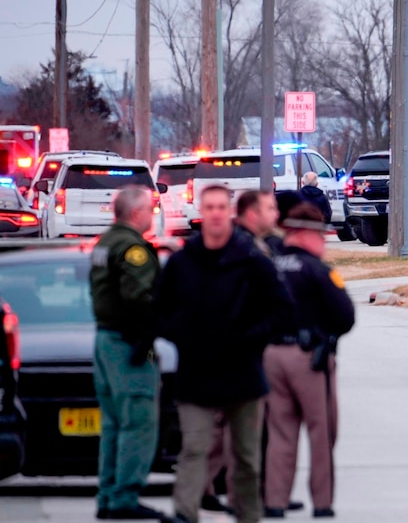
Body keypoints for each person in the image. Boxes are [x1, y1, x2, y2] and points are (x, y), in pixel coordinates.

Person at [158, 184, 295, 523]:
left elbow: (282, 310)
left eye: (222, 207)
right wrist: (184, 336)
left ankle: (249, 515)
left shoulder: (251, 260)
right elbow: (160, 310)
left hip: (244, 373)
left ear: (229, 212)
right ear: (201, 212)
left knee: (246, 456)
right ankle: (185, 513)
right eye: (210, 207)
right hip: (197, 373)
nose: (216, 213)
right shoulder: (182, 262)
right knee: (194, 449)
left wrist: (253, 337)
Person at [263, 203, 355, 518]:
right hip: (310, 359)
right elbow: (345, 316)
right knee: (322, 431)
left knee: (280, 433)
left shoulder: (270, 266)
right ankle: (322, 502)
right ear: (305, 233)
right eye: (322, 235)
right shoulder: (317, 270)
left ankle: (274, 501)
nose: (324, 242)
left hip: (272, 356)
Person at [90, 185, 164, 520]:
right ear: (136, 213)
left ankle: (108, 494)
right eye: (149, 209)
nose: (152, 214)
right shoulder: (132, 248)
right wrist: (149, 334)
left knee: (113, 424)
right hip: (127, 344)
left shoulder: (105, 243)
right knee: (138, 421)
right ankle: (124, 496)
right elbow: (140, 297)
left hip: (106, 340)